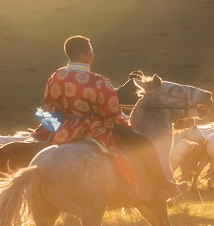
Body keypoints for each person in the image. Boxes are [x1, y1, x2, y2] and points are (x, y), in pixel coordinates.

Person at [32, 35, 180, 203]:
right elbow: (110, 111)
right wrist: (121, 117)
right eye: (90, 51)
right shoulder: (99, 81)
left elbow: (50, 105)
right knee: (146, 144)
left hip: (64, 127)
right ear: (83, 55)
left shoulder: (57, 76)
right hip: (94, 127)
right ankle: (163, 185)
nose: (92, 54)